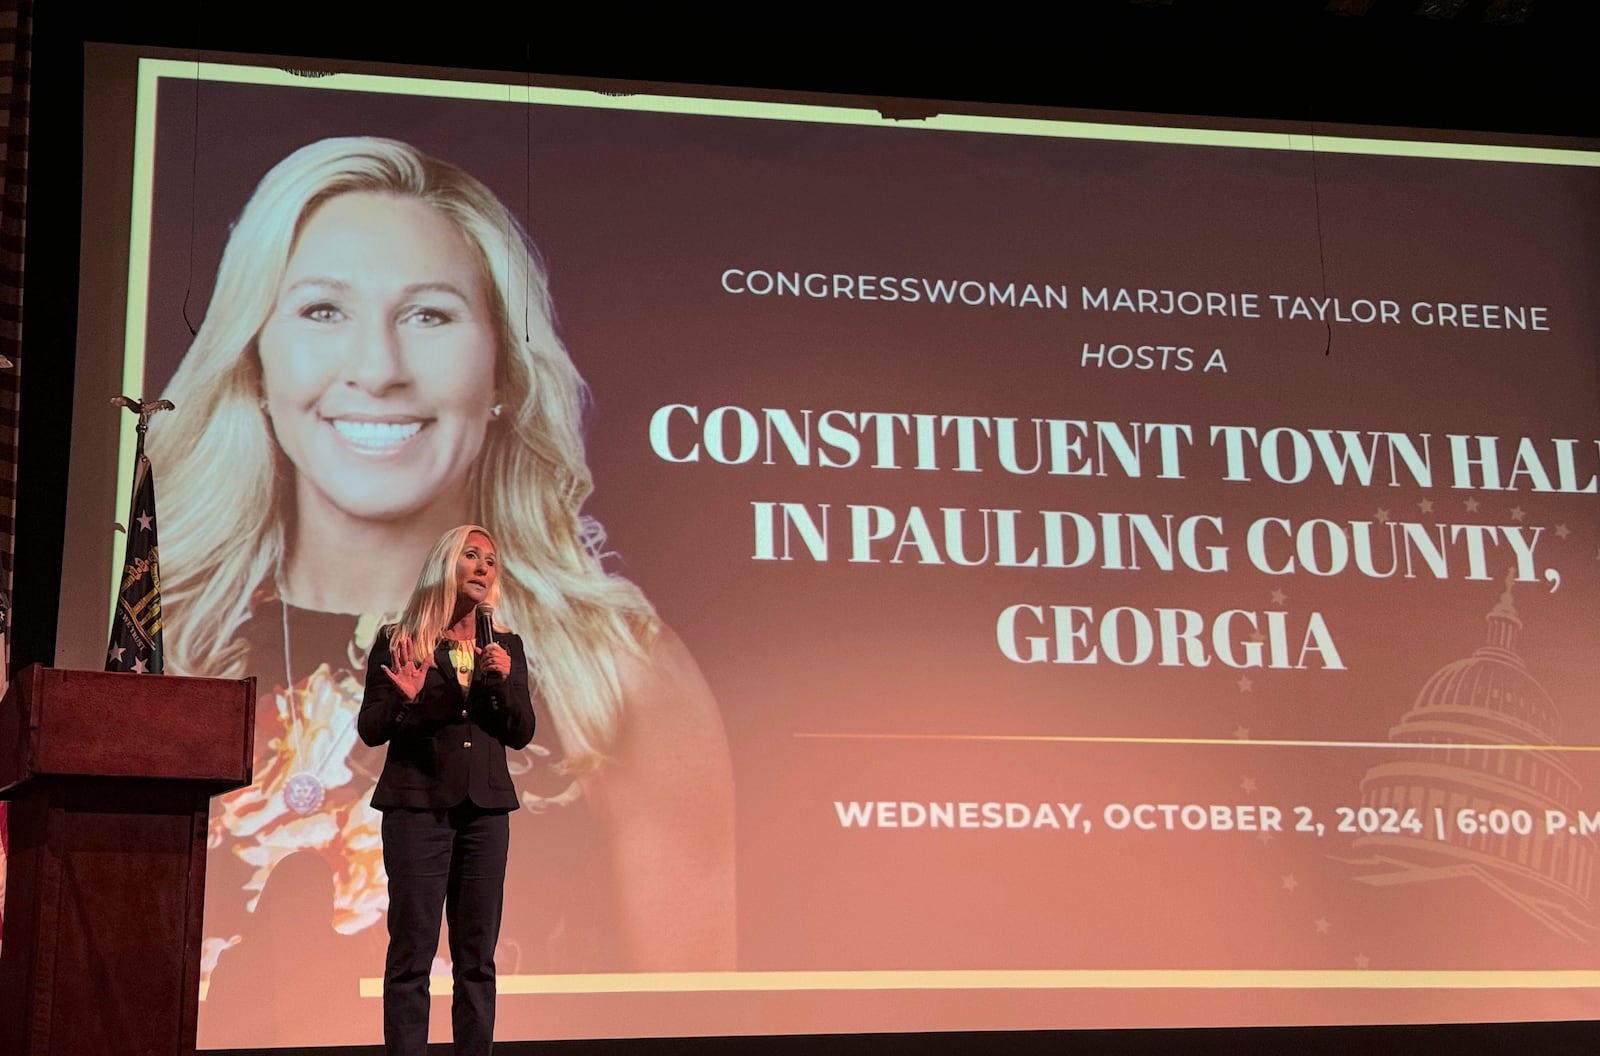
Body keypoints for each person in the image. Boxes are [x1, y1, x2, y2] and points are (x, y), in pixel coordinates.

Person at [145, 136, 735, 1042]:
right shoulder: (163, 645)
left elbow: (689, 1026)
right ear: (256, 359)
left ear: (501, 371)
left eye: (428, 315)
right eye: (322, 310)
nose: (377, 367)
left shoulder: (611, 671)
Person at [360, 525, 535, 1056]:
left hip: (485, 815)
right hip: (417, 809)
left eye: (491, 561)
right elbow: (371, 728)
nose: (483, 567)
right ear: (446, 565)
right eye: (471, 556)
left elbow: (521, 732)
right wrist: (405, 699)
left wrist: (501, 687)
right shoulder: (400, 638)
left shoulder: (505, 646)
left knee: (476, 958)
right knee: (412, 954)